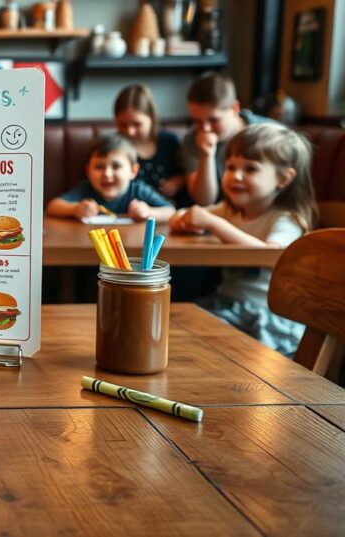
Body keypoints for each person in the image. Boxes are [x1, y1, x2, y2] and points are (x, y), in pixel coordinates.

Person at [170, 124, 317, 355]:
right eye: (230, 167)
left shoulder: (286, 219)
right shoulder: (230, 210)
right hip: (226, 304)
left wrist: (213, 224)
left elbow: (272, 255)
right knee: (177, 329)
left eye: (250, 169)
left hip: (266, 314)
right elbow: (195, 214)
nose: (236, 176)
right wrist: (181, 219)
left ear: (284, 179)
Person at [180, 72, 275, 206]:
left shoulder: (269, 134)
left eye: (214, 120)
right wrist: (206, 156)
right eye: (197, 121)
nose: (205, 128)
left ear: (235, 108)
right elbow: (204, 200)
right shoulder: (192, 138)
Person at [47, 133, 176, 222]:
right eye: (99, 167)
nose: (107, 174)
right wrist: (75, 209)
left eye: (116, 166)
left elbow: (170, 211)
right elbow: (53, 206)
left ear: (133, 171)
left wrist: (148, 212)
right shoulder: (86, 189)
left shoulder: (138, 190)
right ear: (88, 171)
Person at [114, 84, 186, 205]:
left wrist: (179, 181)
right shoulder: (114, 146)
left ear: (151, 117)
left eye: (137, 124)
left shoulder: (169, 141)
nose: (130, 131)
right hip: (130, 213)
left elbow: (187, 172)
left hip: (168, 211)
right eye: (122, 124)